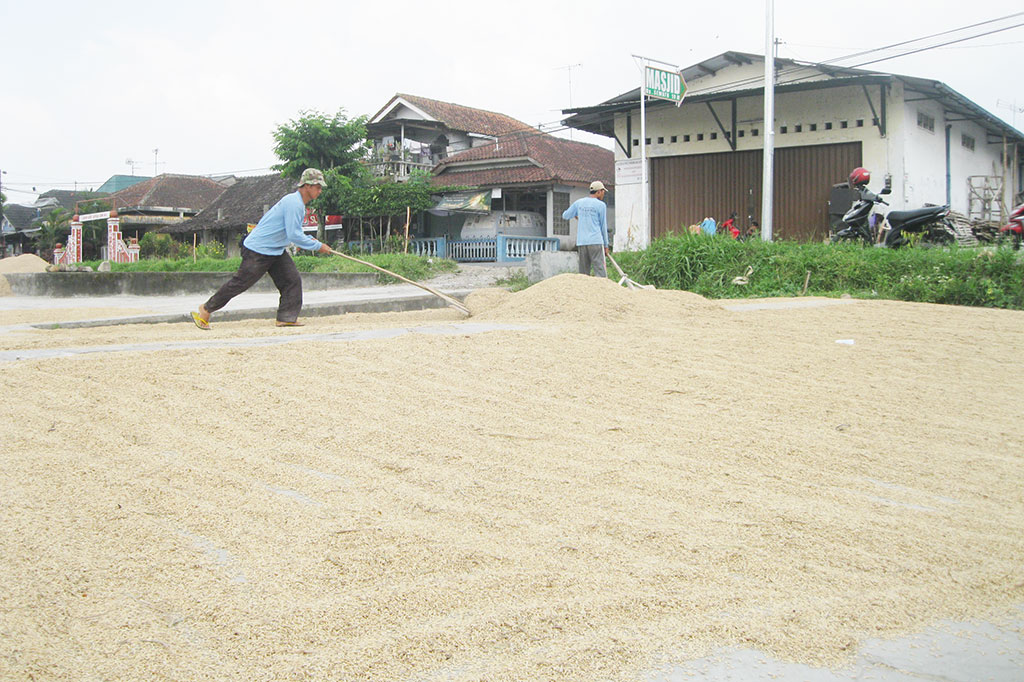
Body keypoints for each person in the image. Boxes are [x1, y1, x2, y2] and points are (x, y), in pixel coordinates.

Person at [191, 168, 333, 329]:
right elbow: (294, 235)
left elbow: (294, 232)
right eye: (318, 187)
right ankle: (206, 309)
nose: (320, 190)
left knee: (291, 280)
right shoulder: (294, 203)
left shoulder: (298, 204)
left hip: (275, 249)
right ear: (307, 186)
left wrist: (310, 240)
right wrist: (318, 246)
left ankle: (286, 318)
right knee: (240, 283)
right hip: (258, 249)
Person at [562, 180, 610, 277]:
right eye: (603, 191)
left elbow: (565, 215)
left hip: (582, 242)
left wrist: (576, 214)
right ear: (599, 192)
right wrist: (606, 245)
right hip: (596, 242)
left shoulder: (579, 203)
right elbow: (603, 226)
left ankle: (584, 291)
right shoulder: (601, 205)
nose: (603, 194)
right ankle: (601, 290)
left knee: (583, 274)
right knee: (600, 271)